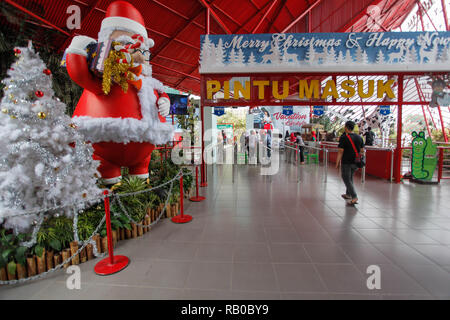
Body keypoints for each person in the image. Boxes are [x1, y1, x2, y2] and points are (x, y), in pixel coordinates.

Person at [336, 121, 365, 205]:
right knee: (350, 177)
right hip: (356, 162)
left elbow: (340, 152)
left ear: (346, 127)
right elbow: (362, 151)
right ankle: (348, 194)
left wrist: (337, 163)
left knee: (346, 178)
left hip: (346, 162)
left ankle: (354, 196)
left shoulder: (344, 138)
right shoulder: (359, 138)